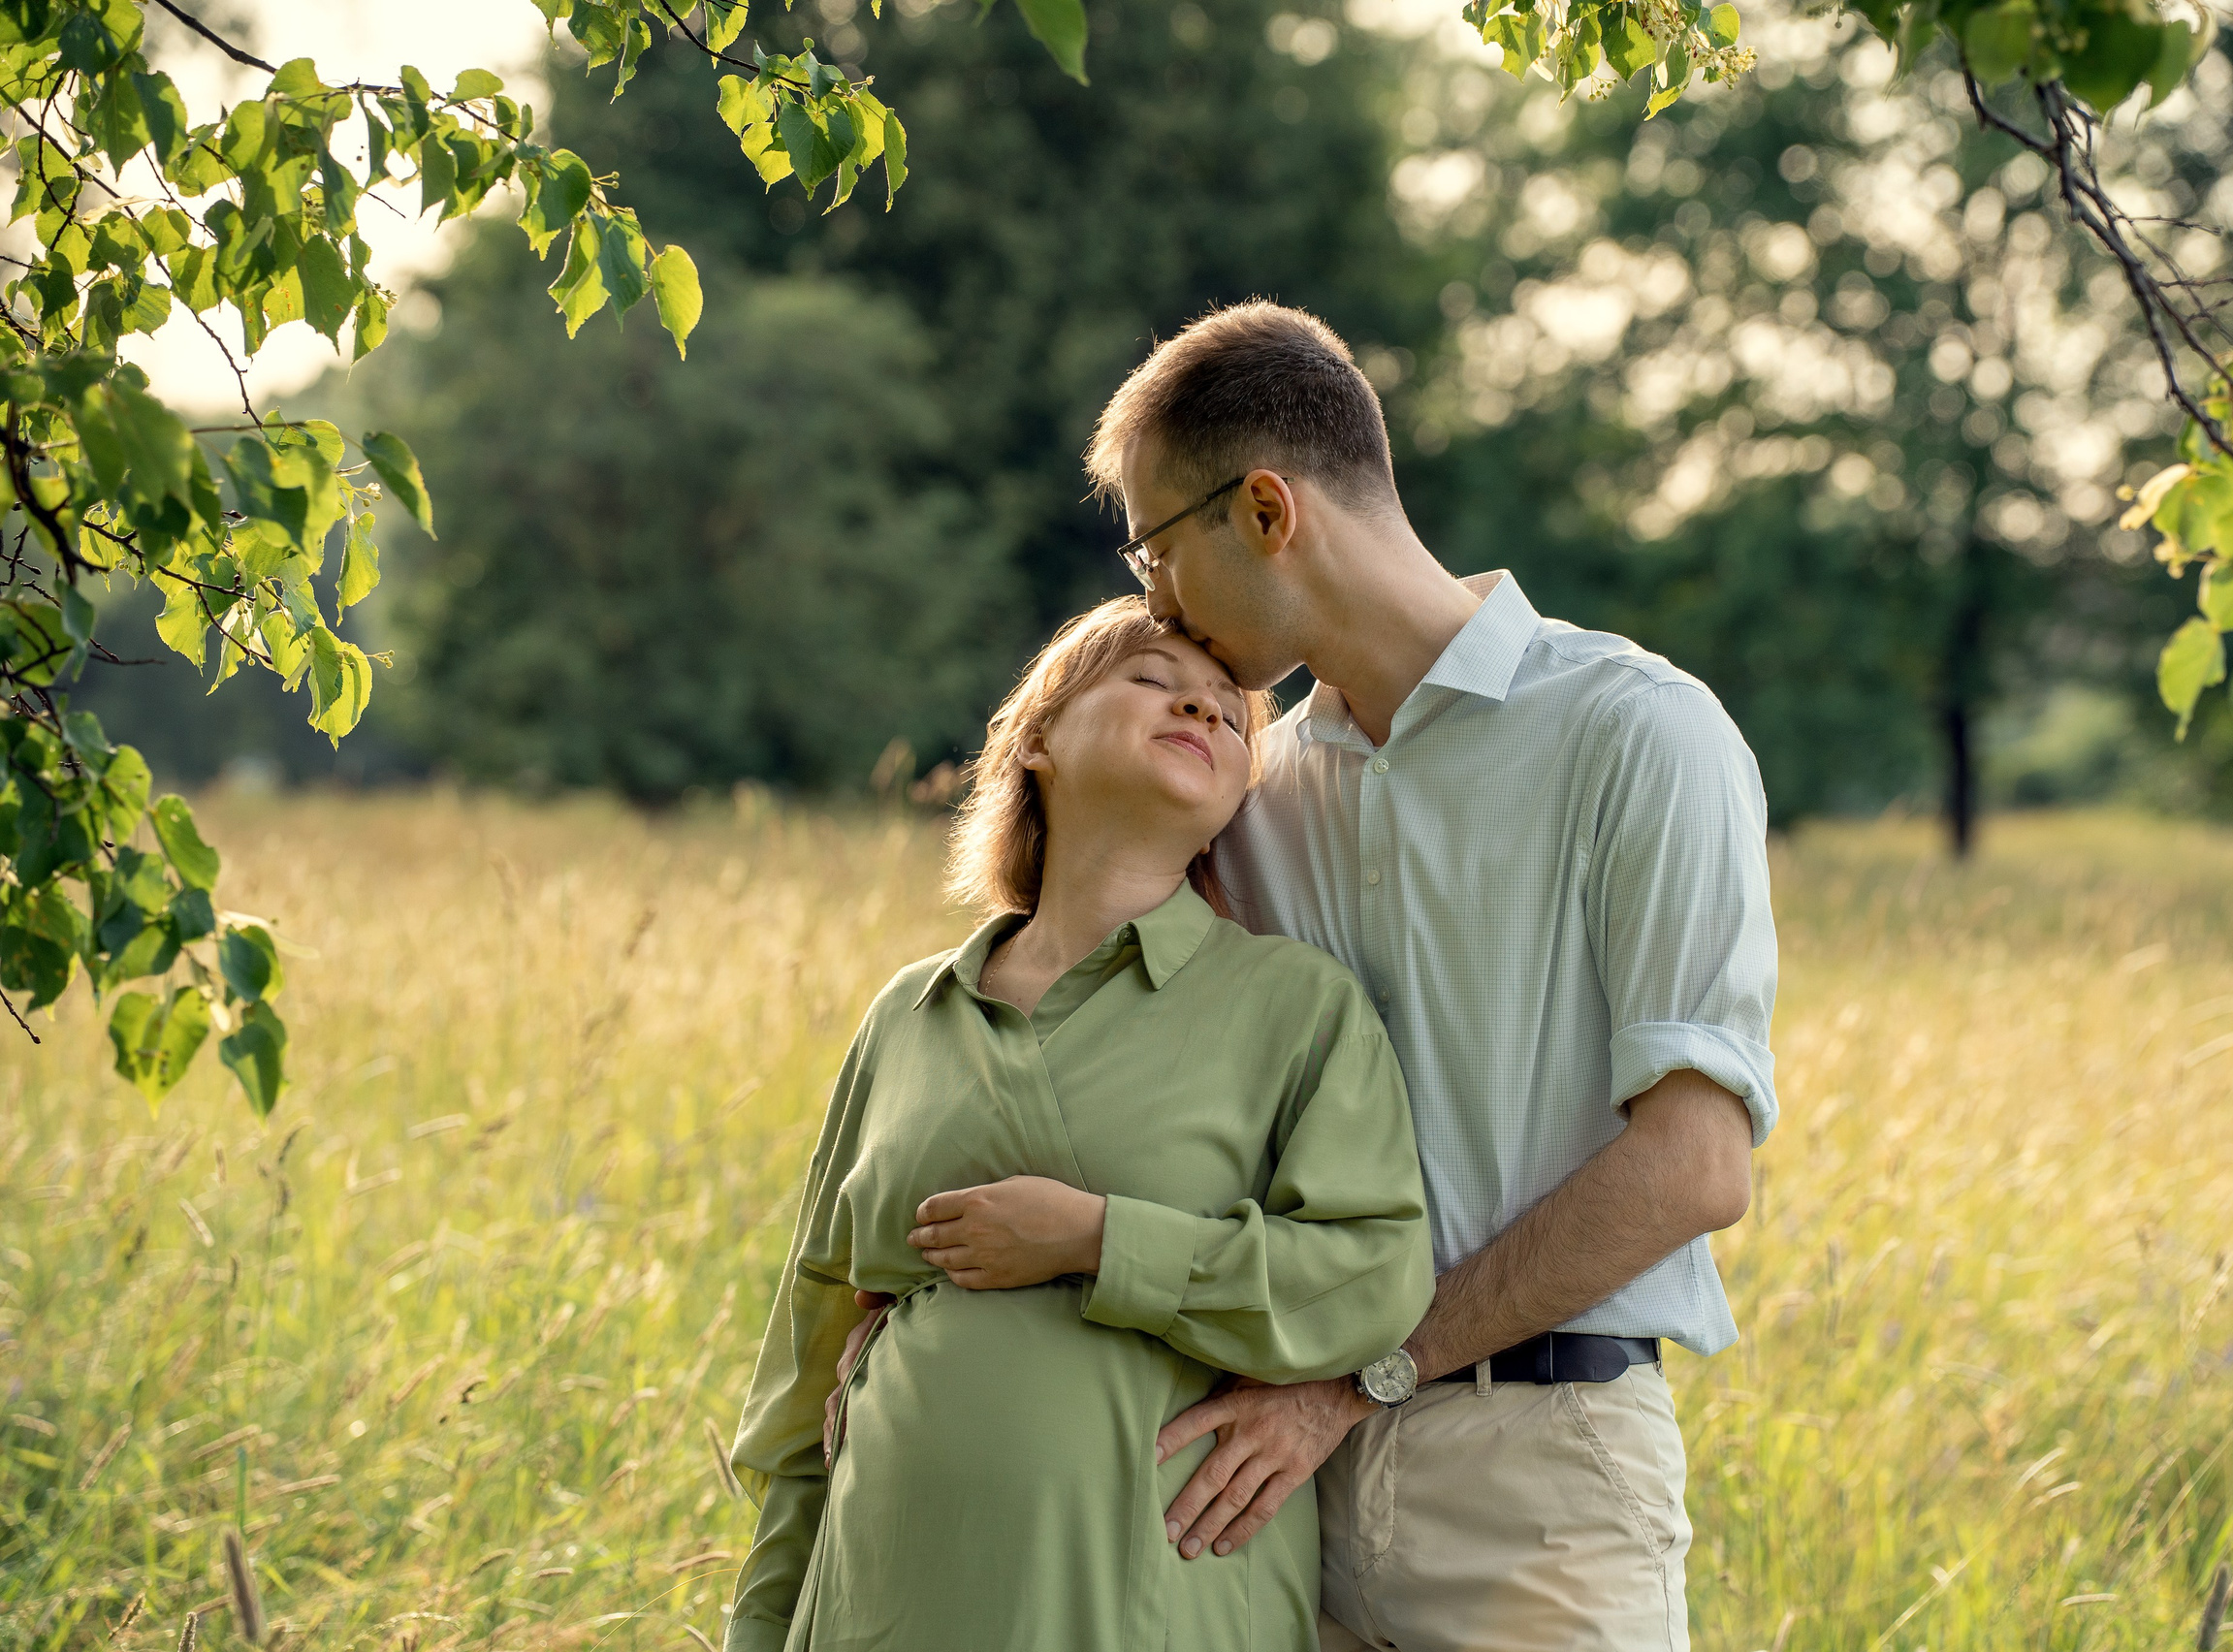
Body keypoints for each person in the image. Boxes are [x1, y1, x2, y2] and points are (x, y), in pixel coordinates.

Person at [1090, 302, 1779, 1652]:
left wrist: (1357, 1380)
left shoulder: (1638, 733)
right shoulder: (1250, 798)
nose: (1154, 603)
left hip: (1545, 1488)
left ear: (1267, 512)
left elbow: (1695, 1167)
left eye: (1156, 551)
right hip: (1277, 1499)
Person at [720, 598, 1434, 1652]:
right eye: (1151, 678)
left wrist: (1100, 1242)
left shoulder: (1295, 1006)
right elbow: (804, 1376)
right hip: (885, 1599)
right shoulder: (909, 1015)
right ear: (1038, 739)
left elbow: (1372, 1277)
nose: (1200, 705)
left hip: (1155, 1602)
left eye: (1230, 711)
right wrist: (762, 1625)